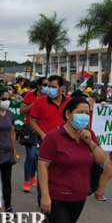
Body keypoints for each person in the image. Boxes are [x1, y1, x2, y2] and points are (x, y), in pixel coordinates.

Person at [39, 96, 106, 223]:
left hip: (79, 196)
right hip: (57, 196)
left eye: (87, 112)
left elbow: (101, 160)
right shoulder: (54, 137)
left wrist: (90, 142)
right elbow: (43, 166)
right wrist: (45, 195)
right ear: (68, 114)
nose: (84, 116)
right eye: (80, 112)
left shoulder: (89, 135)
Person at [30, 75, 69, 206]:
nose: (50, 89)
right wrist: (41, 134)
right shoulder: (40, 101)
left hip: (65, 144)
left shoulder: (70, 102)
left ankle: (58, 201)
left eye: (53, 87)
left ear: (61, 88)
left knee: (61, 173)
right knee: (43, 173)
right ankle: (43, 204)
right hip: (44, 143)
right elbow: (32, 121)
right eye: (48, 86)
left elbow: (85, 109)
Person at [20, 77, 48, 193]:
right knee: (31, 155)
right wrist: (35, 104)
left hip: (44, 130)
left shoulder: (49, 98)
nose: (47, 87)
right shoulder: (29, 95)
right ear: (38, 86)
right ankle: (26, 181)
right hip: (30, 129)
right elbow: (22, 111)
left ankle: (32, 177)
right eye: (45, 85)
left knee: (38, 157)